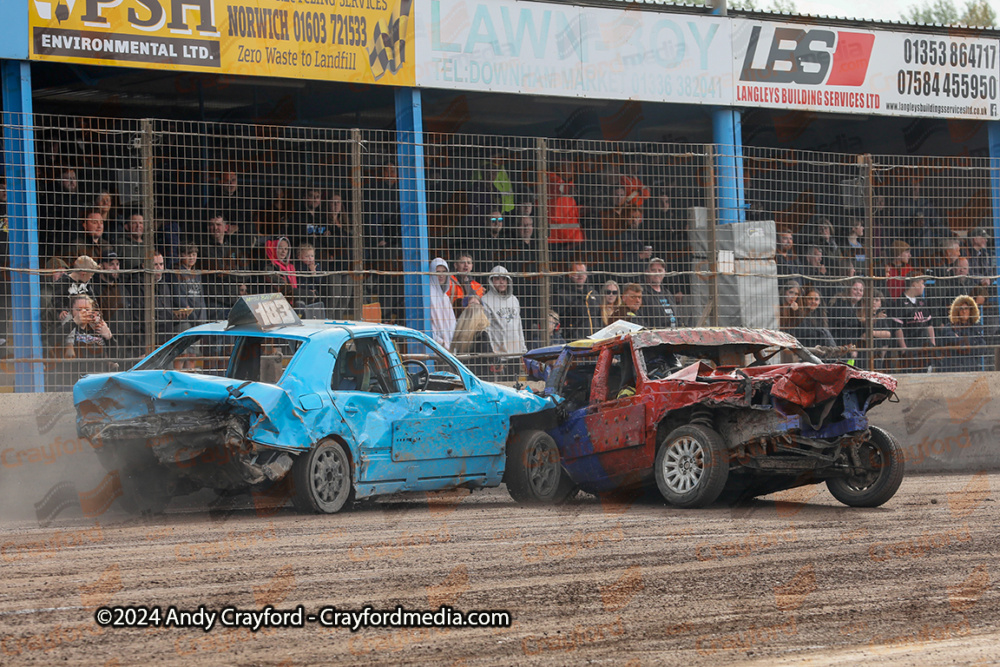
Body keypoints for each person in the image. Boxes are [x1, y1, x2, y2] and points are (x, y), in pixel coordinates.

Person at [481, 266, 527, 380]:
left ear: (508, 281)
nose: (501, 282)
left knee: (515, 385)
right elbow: (486, 330)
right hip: (498, 355)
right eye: (497, 279)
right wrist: (491, 354)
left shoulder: (514, 300)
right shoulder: (485, 300)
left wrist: (523, 350)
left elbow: (518, 325)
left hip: (515, 353)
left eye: (504, 278)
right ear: (491, 281)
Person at [890, 275, 936, 372]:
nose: (924, 286)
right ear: (914, 284)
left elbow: (929, 324)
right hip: (910, 346)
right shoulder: (900, 303)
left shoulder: (922, 302)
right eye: (922, 283)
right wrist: (904, 348)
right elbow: (898, 328)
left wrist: (933, 343)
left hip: (924, 347)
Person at [940, 295, 986, 373]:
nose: (964, 311)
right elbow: (954, 343)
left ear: (971, 310)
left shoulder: (976, 327)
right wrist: (972, 342)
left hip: (971, 368)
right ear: (956, 311)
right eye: (961, 309)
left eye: (966, 309)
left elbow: (982, 347)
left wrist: (961, 341)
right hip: (952, 368)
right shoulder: (949, 327)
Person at [553, 261, 598, 340]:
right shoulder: (562, 294)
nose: (580, 275)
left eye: (583, 272)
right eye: (577, 272)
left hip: (596, 341)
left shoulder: (593, 293)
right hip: (574, 343)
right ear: (570, 274)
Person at [641, 258, 679, 329]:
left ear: (664, 272)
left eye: (660, 270)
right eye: (653, 270)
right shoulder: (643, 293)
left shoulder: (667, 293)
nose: (657, 273)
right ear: (647, 272)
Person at [429, 257, 457, 350]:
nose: (441, 275)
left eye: (444, 271)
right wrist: (441, 344)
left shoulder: (445, 297)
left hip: (450, 350)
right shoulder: (428, 295)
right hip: (437, 348)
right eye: (437, 272)